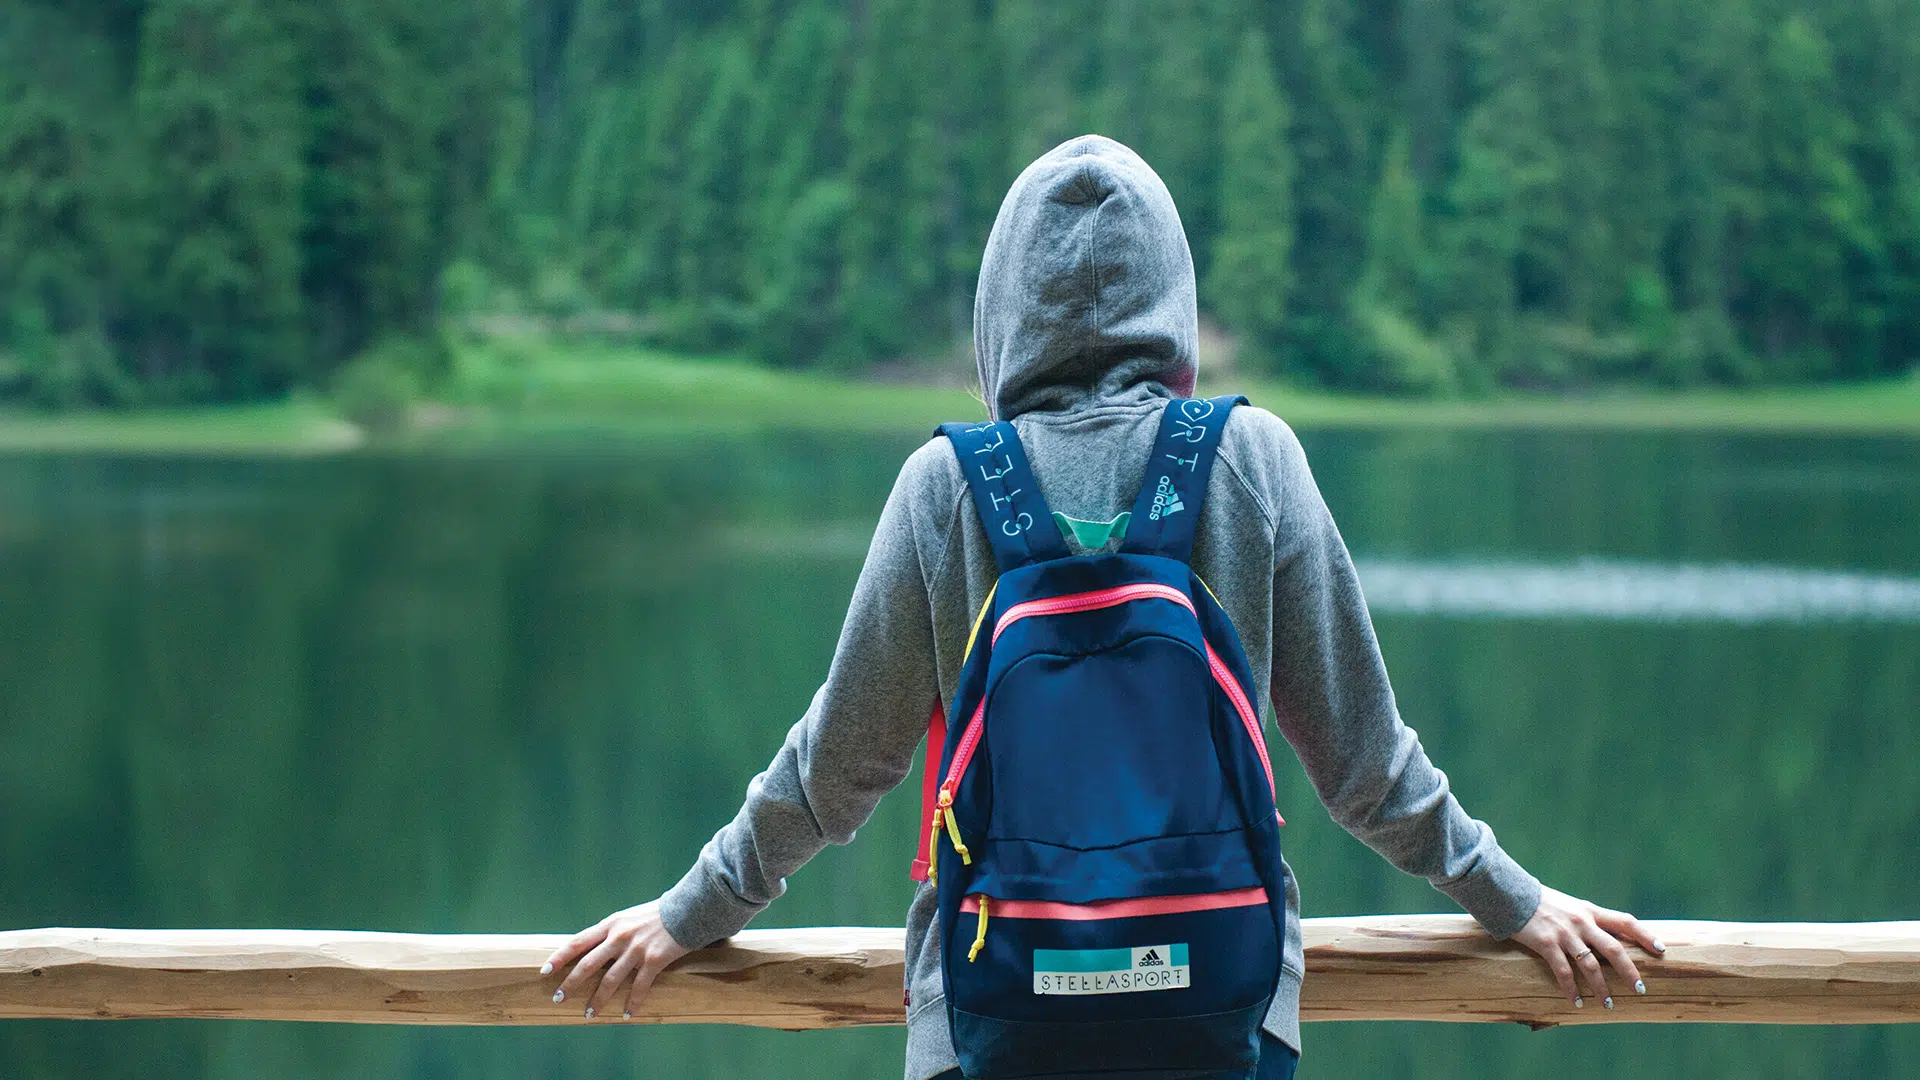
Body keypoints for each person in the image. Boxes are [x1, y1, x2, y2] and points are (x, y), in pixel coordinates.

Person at [541, 135, 1665, 1078]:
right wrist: (1511, 899)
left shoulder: (948, 486)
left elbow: (837, 771)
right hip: (1216, 1006)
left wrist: (688, 914)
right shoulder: (1252, 461)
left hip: (992, 1015)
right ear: (1173, 297)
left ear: (999, 310)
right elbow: (1365, 767)